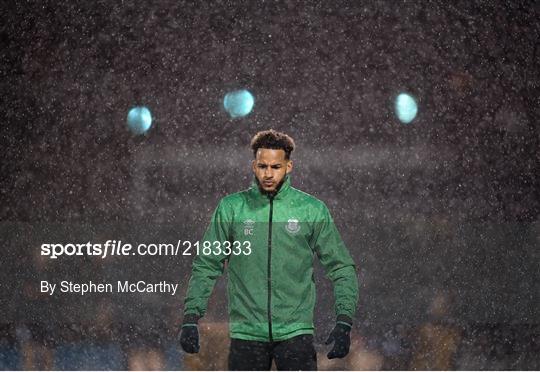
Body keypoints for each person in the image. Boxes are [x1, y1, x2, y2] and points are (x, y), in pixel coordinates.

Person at [179, 129, 359, 370]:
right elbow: (207, 264)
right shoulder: (232, 209)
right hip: (247, 334)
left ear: (289, 167)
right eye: (263, 166)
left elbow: (341, 266)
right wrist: (191, 317)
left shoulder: (311, 210)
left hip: (296, 333)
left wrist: (344, 321)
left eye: (275, 167)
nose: (268, 173)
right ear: (254, 166)